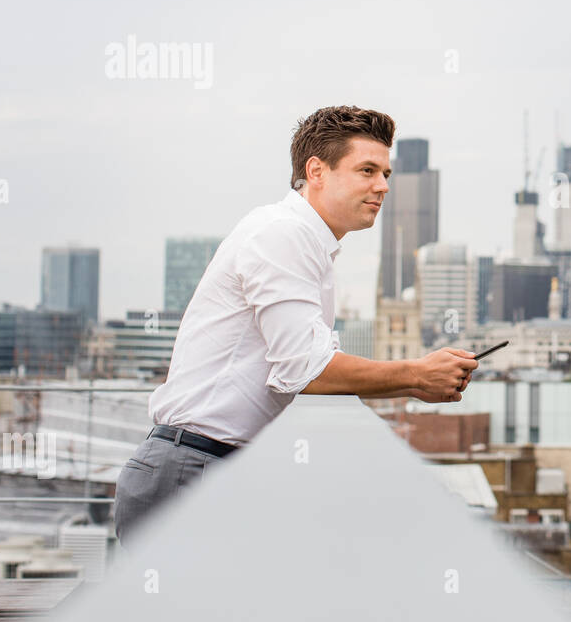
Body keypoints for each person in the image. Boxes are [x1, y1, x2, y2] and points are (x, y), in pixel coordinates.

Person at [112, 105, 477, 545]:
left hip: (209, 469)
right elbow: (308, 371)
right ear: (316, 171)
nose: (382, 186)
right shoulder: (281, 235)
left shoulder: (310, 245)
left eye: (386, 173)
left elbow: (306, 371)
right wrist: (417, 375)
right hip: (189, 473)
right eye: (367, 170)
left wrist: (415, 384)